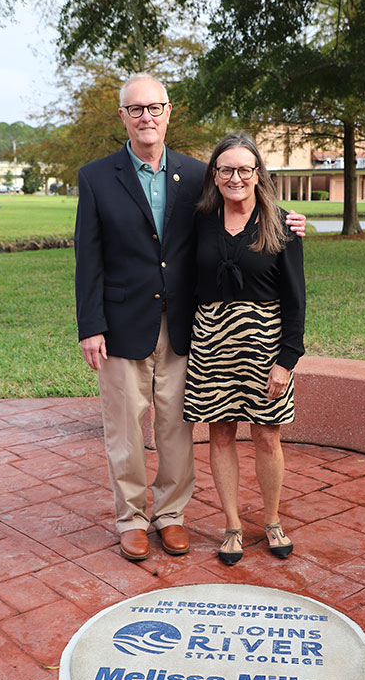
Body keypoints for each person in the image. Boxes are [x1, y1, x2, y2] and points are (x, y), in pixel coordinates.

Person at [74, 74, 306, 562]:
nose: (146, 117)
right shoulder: (96, 177)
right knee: (126, 427)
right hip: (121, 322)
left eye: (154, 108)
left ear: (168, 112)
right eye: (136, 109)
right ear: (123, 116)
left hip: (184, 323)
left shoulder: (195, 173)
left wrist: (293, 223)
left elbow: (245, 208)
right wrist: (90, 325)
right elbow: (88, 258)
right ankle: (132, 519)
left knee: (176, 424)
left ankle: (170, 515)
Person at [183, 133, 305, 565]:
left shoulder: (283, 223)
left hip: (264, 343)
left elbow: (295, 298)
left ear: (258, 175)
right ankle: (232, 525)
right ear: (214, 175)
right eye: (226, 169)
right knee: (220, 434)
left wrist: (286, 360)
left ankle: (271, 520)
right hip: (211, 341)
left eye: (244, 169)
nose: (235, 177)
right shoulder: (198, 221)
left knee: (268, 437)